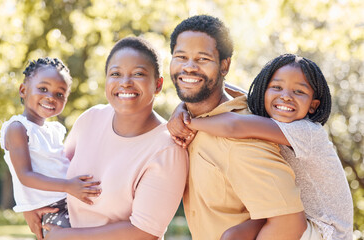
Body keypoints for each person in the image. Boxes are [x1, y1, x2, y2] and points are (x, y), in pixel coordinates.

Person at [169, 54, 353, 240]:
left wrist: (187, 122)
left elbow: (234, 126)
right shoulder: (270, 120)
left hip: (326, 230)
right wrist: (183, 105)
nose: (286, 97)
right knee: (233, 236)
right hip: (297, 212)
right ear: (263, 92)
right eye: (276, 87)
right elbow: (229, 90)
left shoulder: (307, 131)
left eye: (299, 92)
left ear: (313, 106)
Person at [25, 37, 188, 240]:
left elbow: (144, 232)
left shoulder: (168, 148)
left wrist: (65, 237)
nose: (125, 82)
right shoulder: (91, 118)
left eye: (138, 74)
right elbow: (52, 170)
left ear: (158, 84)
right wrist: (28, 205)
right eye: (116, 74)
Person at [168, 15, 309, 240]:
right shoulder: (192, 118)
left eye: (202, 59)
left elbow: (290, 224)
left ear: (225, 65)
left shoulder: (242, 140)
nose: (189, 67)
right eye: (181, 57)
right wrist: (181, 108)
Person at [0, 57, 102, 237]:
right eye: (43, 89)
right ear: (23, 90)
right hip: (52, 208)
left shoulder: (54, 130)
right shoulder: (18, 128)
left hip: (70, 198)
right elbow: (25, 176)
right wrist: (69, 186)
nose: (50, 97)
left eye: (59, 94)